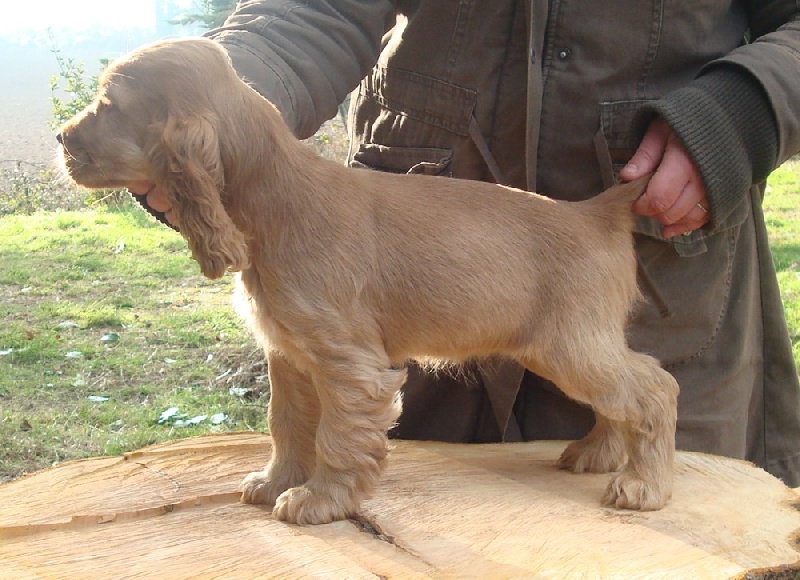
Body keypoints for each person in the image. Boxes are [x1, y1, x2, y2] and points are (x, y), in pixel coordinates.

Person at [129, 1, 800, 486]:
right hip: (410, 273)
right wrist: (217, 109)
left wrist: (742, 112)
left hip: (659, 260)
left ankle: (632, 433)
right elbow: (315, 8)